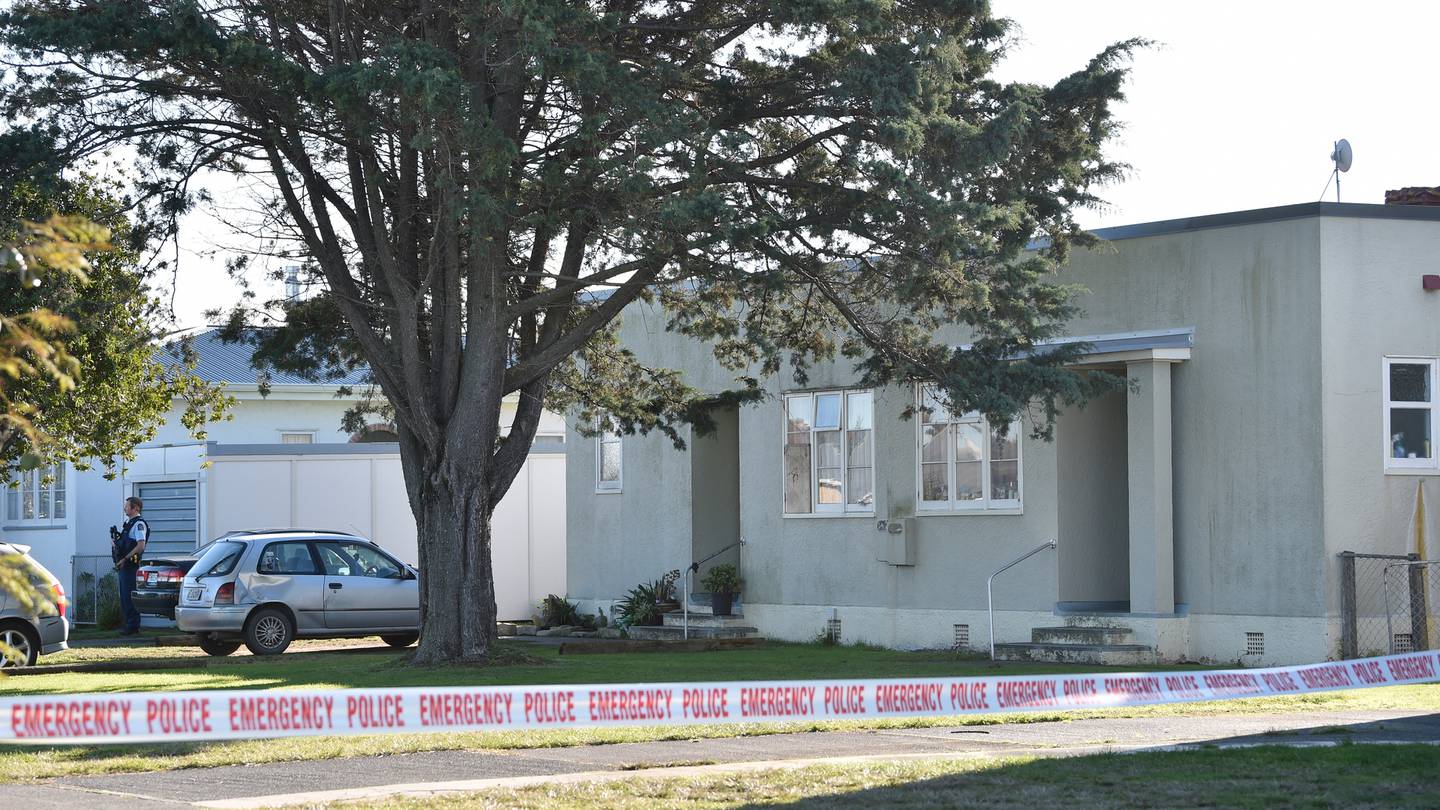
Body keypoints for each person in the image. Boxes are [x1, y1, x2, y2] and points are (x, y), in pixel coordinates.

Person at [112, 496, 149, 636]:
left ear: (136, 508)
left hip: (130, 565)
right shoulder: (129, 524)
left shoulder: (139, 524)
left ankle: (133, 626)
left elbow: (140, 545)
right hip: (124, 565)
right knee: (124, 596)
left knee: (129, 596)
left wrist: (125, 559)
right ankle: (128, 624)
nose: (125, 508)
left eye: (127, 506)